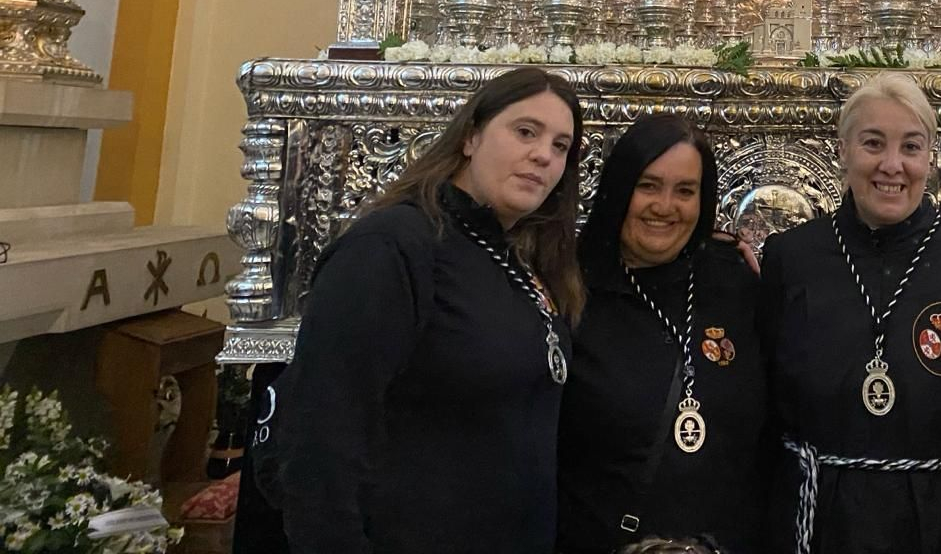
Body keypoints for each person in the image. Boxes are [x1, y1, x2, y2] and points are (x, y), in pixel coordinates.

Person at [276, 67, 585, 554]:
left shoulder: (514, 258)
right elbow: (321, 438)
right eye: (526, 131)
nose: (543, 155)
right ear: (470, 137)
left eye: (561, 146)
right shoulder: (392, 246)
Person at [759, 71, 941, 554]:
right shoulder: (791, 259)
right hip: (815, 520)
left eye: (911, 147)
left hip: (940, 520)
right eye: (873, 143)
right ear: (843, 151)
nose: (892, 165)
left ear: (930, 158)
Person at [558, 114, 770, 554]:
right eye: (648, 186)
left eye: (685, 191)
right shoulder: (568, 287)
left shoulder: (733, 279)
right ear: (619, 190)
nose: (665, 206)